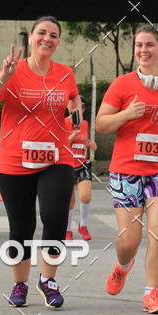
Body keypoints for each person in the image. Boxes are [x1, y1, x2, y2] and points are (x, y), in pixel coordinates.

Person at [0, 16, 81, 309]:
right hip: (14, 160)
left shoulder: (65, 74)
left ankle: (48, 281)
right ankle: (19, 284)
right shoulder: (14, 70)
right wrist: (3, 75)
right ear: (30, 38)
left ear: (58, 41)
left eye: (53, 35)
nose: (47, 39)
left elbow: (73, 98)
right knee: (22, 226)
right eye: (42, 33)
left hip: (56, 157)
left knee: (56, 217)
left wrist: (76, 112)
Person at [96, 25, 158, 314]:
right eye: (139, 45)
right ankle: (122, 266)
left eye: (150, 45)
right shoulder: (122, 85)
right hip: (126, 169)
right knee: (130, 240)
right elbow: (101, 124)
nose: (143, 50)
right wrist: (126, 114)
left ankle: (152, 292)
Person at [65, 97, 97, 241]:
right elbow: (63, 144)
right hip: (67, 165)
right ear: (68, 108)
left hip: (82, 164)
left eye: (80, 107)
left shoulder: (84, 124)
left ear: (83, 109)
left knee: (85, 196)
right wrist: (74, 134)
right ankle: (67, 229)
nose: (76, 110)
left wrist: (90, 143)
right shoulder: (63, 122)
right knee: (69, 200)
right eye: (73, 107)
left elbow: (84, 141)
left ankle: (83, 226)